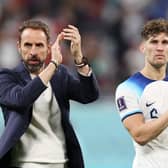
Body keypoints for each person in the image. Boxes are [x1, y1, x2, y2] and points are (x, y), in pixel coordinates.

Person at [0, 20, 99, 168]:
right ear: (19, 47)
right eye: (28, 45)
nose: (33, 52)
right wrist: (53, 65)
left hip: (62, 163)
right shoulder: (7, 77)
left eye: (39, 45)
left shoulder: (60, 75)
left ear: (48, 48)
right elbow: (21, 100)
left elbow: (89, 96)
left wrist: (78, 58)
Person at [115, 18, 168, 168]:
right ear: (142, 47)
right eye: (153, 42)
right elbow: (139, 135)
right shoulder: (128, 88)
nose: (160, 48)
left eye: (165, 42)